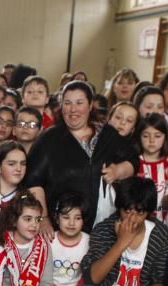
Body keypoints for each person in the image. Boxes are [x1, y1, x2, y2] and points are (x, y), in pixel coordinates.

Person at [25, 81, 137, 234]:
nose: (73, 109)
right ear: (61, 106)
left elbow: (133, 161)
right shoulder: (49, 139)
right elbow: (33, 181)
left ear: (90, 105)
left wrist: (118, 170)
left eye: (79, 103)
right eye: (67, 103)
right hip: (61, 229)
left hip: (103, 229)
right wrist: (43, 218)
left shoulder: (107, 134)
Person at [48, 190, 89, 286]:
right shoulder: (49, 240)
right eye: (66, 217)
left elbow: (89, 274)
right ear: (56, 218)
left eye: (77, 218)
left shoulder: (89, 242)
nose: (71, 223)